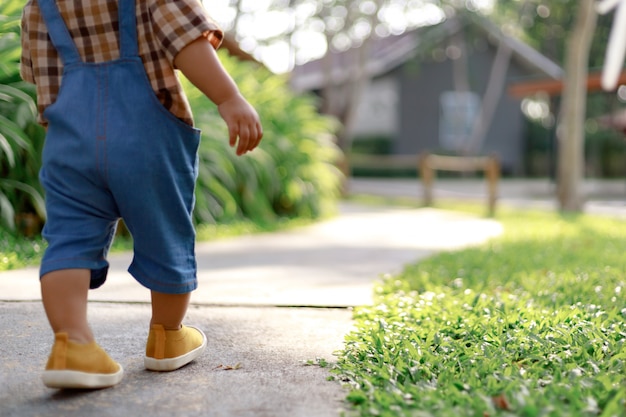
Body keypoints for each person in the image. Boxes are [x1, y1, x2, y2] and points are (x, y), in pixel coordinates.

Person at [20, 0, 263, 389]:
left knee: (68, 241)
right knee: (164, 233)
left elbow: (46, 84)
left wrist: (73, 141)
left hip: (69, 143)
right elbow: (187, 43)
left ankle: (74, 345)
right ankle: (167, 336)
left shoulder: (40, 7)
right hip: (147, 141)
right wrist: (228, 97)